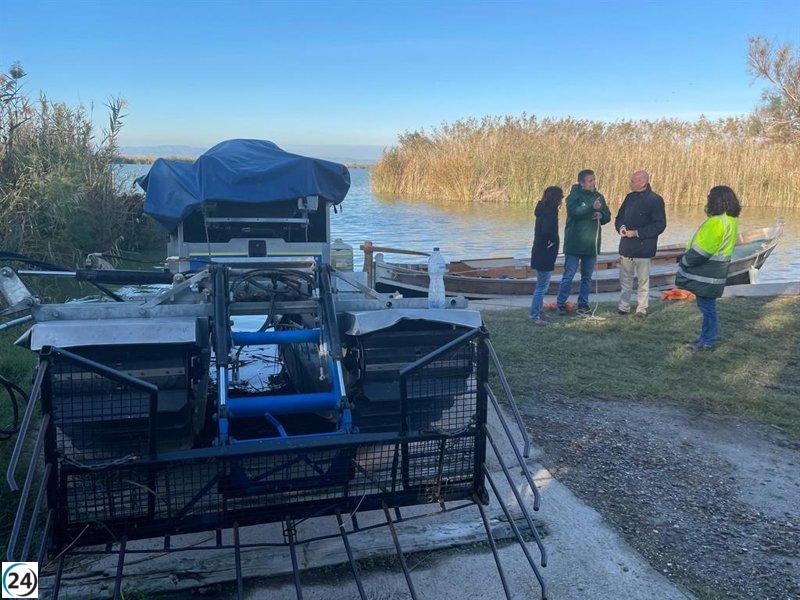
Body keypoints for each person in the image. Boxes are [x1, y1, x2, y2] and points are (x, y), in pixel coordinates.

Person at [676, 185, 741, 350]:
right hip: (716, 271)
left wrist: (685, 260)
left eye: (709, 197)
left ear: (717, 200)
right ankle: (705, 339)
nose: (708, 200)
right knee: (707, 307)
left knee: (707, 308)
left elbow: (703, 250)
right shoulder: (730, 220)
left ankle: (708, 341)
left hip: (707, 271)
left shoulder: (717, 222)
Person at [556, 169, 611, 315]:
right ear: (581, 183)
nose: (593, 183)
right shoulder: (573, 196)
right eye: (590, 180)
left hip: (591, 245)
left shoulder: (599, 197)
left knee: (587, 277)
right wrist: (591, 208)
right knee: (568, 276)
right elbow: (574, 212)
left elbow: (608, 216)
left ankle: (583, 304)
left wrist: (601, 214)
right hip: (574, 244)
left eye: (594, 180)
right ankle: (561, 304)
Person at [614, 170, 667, 318]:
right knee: (625, 280)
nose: (630, 183)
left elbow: (660, 225)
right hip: (626, 246)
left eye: (633, 181)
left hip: (644, 247)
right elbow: (619, 217)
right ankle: (623, 306)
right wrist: (622, 228)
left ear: (643, 182)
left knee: (643, 281)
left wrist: (637, 232)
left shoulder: (655, 200)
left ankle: (641, 309)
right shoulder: (629, 197)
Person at [529, 186, 564, 325]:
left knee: (543, 284)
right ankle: (534, 315)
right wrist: (553, 242)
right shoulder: (549, 212)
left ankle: (539, 311)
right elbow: (547, 231)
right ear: (556, 199)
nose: (562, 200)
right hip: (544, 251)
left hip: (540, 250)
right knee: (542, 286)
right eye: (561, 197)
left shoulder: (543, 210)